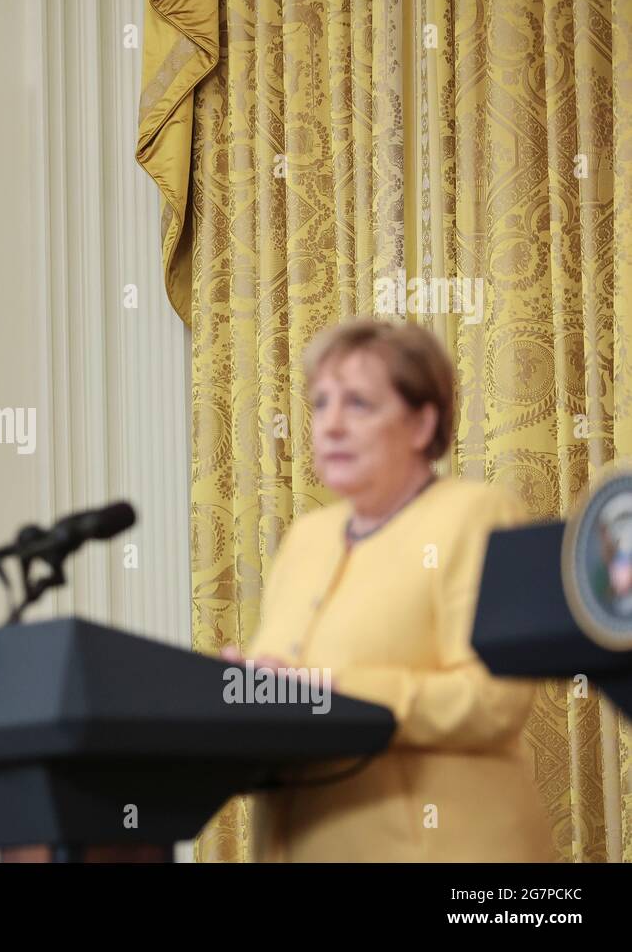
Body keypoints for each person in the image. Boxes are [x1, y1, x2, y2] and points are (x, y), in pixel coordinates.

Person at [225, 320, 554, 862]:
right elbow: (288, 691)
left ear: (422, 423)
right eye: (320, 403)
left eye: (357, 404)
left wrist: (330, 692)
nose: (329, 426)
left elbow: (493, 701)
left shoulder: (478, 517)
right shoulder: (305, 540)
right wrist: (245, 695)